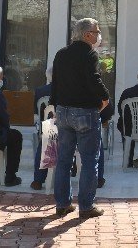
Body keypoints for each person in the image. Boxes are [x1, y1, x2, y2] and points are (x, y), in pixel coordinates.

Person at [51, 17, 110, 219]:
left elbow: (55, 81)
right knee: (89, 160)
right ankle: (86, 206)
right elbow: (94, 79)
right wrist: (105, 98)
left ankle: (62, 204)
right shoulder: (89, 54)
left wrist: (54, 104)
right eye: (96, 31)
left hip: (64, 111)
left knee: (64, 161)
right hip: (85, 112)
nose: (98, 35)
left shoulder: (61, 53)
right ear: (87, 35)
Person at [29, 69, 54, 190]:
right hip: (65, 128)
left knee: (45, 143)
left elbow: (35, 114)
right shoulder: (68, 90)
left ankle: (38, 180)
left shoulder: (40, 91)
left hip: (47, 128)